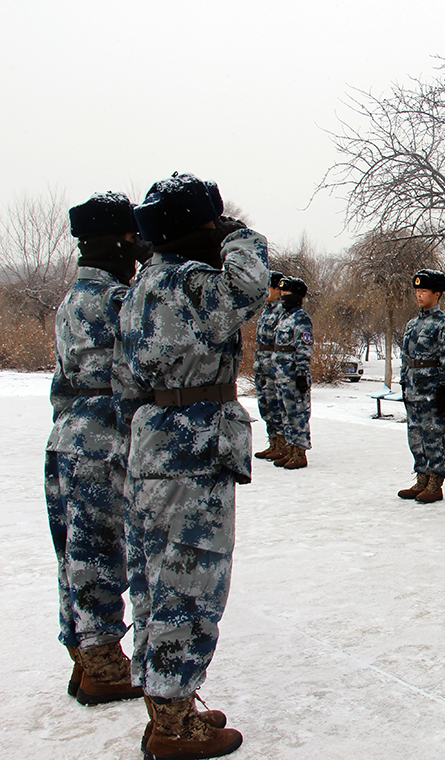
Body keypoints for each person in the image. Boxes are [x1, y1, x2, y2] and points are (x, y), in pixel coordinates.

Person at [116, 172, 267, 757]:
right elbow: (252, 287)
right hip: (194, 449)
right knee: (193, 581)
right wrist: (240, 236)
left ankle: (163, 700)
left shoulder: (139, 288)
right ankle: (173, 726)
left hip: (151, 443)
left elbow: (123, 382)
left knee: (154, 576)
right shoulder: (197, 284)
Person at [45, 192, 146, 706]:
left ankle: (84, 657)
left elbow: (61, 382)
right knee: (103, 552)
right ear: (117, 242)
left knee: (74, 551)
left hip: (67, 436)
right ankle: (105, 663)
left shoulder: (69, 302)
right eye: (132, 240)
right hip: (104, 439)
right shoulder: (116, 301)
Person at [397, 269, 445, 503]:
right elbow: (405, 356)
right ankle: (421, 475)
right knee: (415, 436)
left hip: (431, 390)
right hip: (412, 388)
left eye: (424, 291)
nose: (419, 295)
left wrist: (443, 386)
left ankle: (435, 481)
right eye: (417, 291)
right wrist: (403, 381)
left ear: (437, 294)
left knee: (434, 435)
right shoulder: (412, 324)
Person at [270, 276, 313, 470]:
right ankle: (290, 448)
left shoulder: (301, 318)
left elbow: (304, 347)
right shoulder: (283, 317)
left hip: (294, 373)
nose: (283, 297)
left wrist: (302, 372)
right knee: (285, 413)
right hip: (281, 373)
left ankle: (299, 452)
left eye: (287, 294)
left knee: (298, 412)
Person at [253, 272, 286, 461]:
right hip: (261, 364)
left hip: (273, 365)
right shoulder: (267, 309)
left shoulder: (282, 311)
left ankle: (282, 444)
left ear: (277, 289)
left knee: (275, 405)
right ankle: (272, 441)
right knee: (264, 405)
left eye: (268, 287)